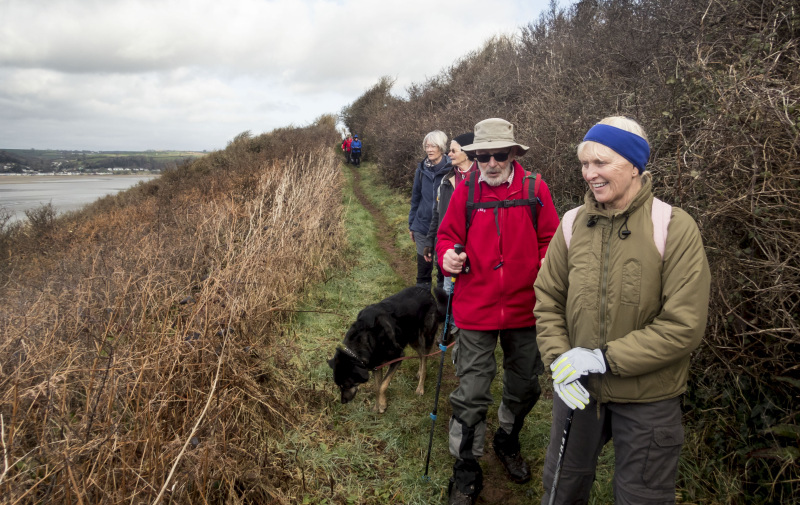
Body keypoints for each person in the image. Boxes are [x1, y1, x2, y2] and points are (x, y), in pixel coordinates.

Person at [533, 116, 711, 504]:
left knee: (641, 498)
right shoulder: (571, 224)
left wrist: (602, 358)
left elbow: (684, 324)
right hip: (578, 392)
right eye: (584, 164)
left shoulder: (674, 227)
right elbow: (547, 298)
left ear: (635, 165)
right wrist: (559, 360)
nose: (590, 174)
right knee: (561, 488)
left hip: (650, 397)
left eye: (602, 163)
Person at [435, 118, 560, 505]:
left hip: (526, 310)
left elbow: (553, 240)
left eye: (499, 155)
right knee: (471, 393)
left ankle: (507, 439)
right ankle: (466, 469)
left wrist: (542, 264)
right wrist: (447, 258)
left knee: (525, 386)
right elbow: (446, 237)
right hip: (476, 310)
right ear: (475, 156)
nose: (491, 163)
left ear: (513, 154)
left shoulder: (535, 189)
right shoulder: (465, 191)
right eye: (483, 155)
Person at [423, 132, 476, 294]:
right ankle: (450, 319)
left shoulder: (483, 179)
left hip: (474, 251)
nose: (449, 154)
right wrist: (430, 241)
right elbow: (438, 214)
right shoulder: (446, 180)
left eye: (453, 151)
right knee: (449, 291)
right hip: (451, 250)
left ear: (467, 153)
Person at [409, 130, 451, 287]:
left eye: (433, 146)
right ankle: (422, 306)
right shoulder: (420, 171)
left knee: (442, 271)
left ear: (441, 147)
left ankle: (441, 308)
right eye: (427, 146)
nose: (429, 150)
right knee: (423, 272)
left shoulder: (451, 170)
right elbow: (415, 198)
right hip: (422, 226)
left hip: (443, 228)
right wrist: (412, 225)